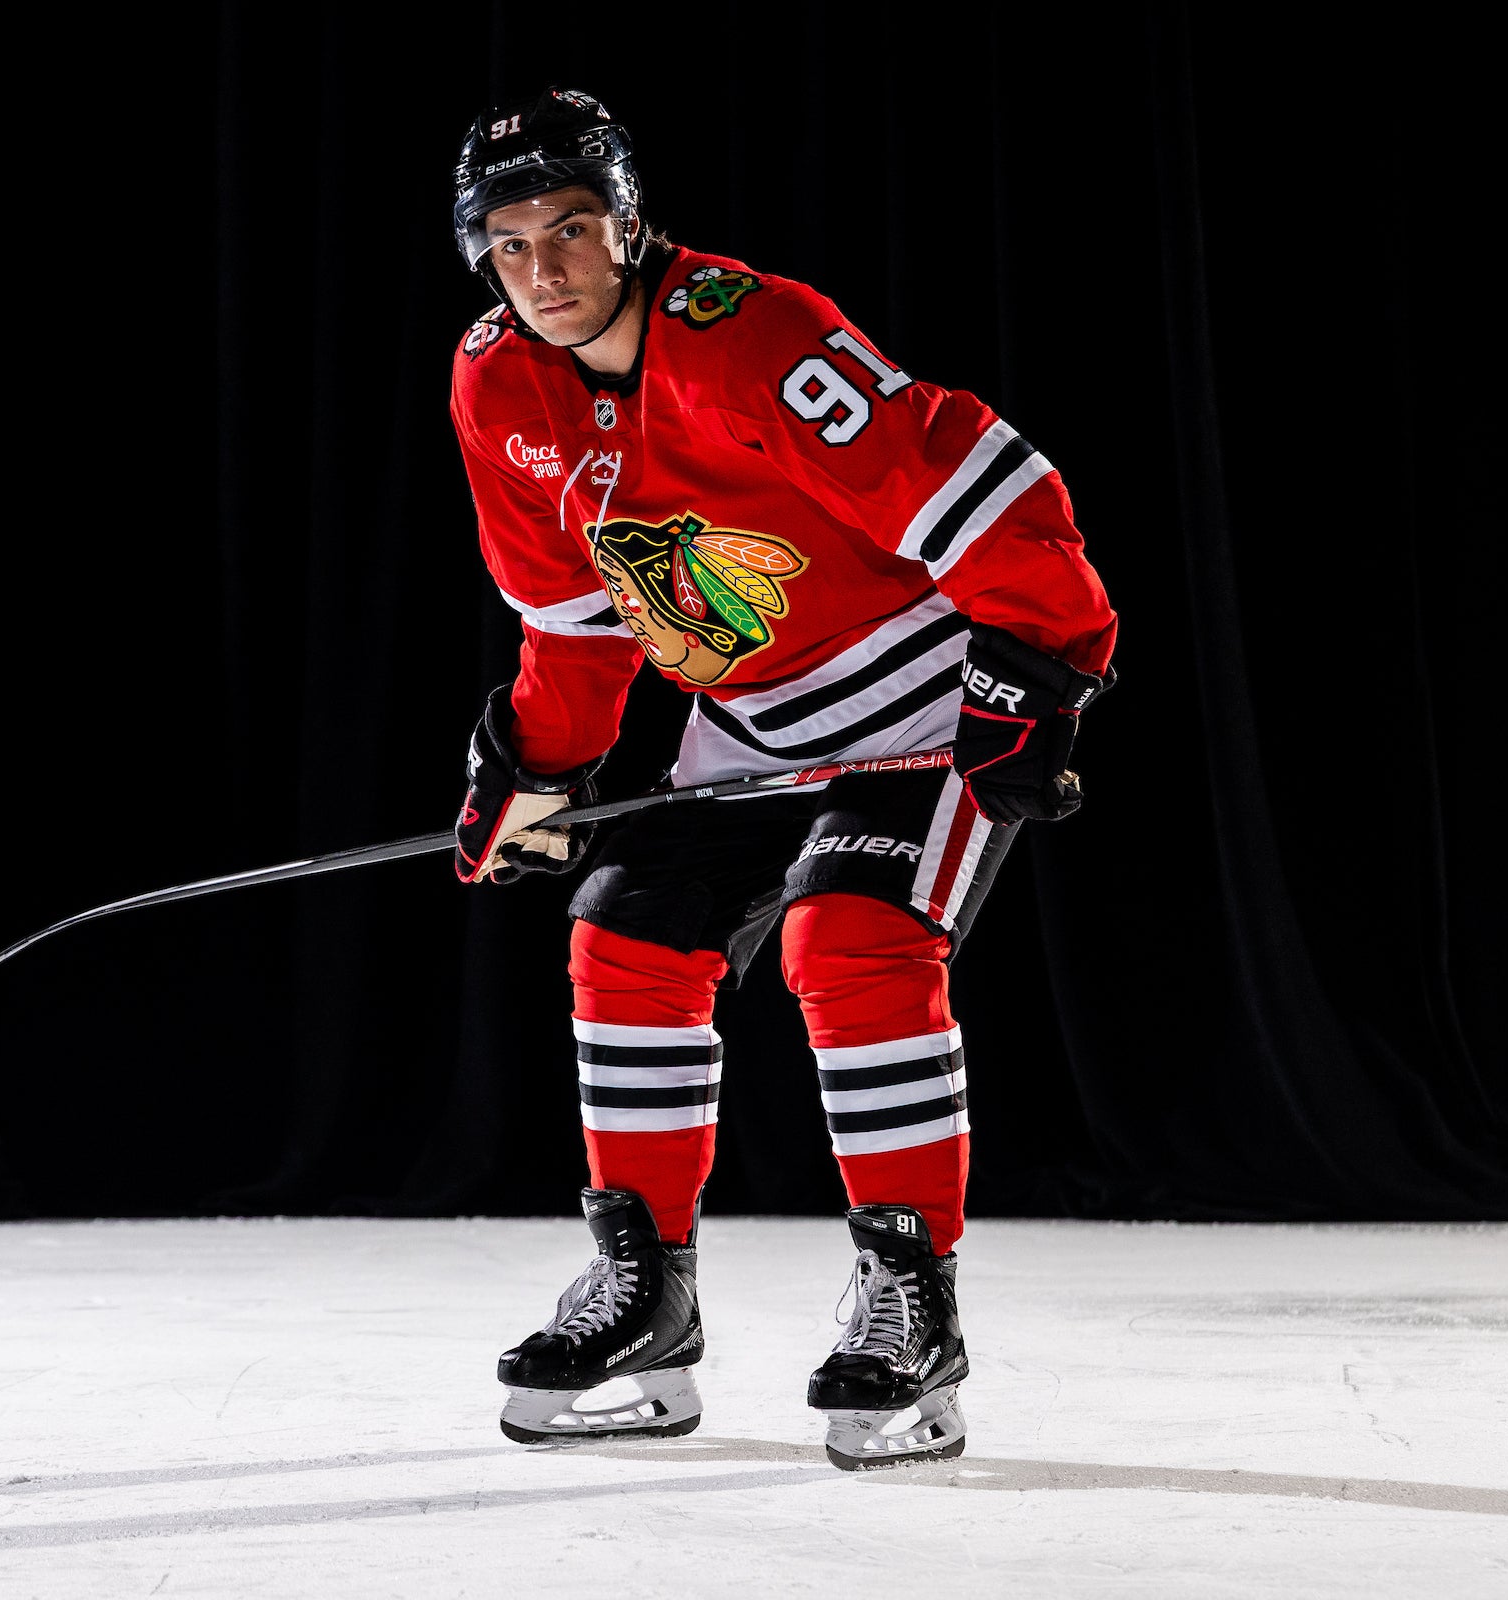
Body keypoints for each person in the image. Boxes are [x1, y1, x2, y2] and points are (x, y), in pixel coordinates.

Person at [447, 87, 1116, 1470]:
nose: (546, 271)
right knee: (621, 939)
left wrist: (1041, 671)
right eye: (509, 245)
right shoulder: (494, 383)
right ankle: (648, 1299)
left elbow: (992, 492)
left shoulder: (753, 338)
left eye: (571, 228)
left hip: (916, 709)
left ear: (629, 223)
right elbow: (574, 628)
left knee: (849, 939)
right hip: (742, 727)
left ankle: (907, 1299)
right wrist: (534, 769)